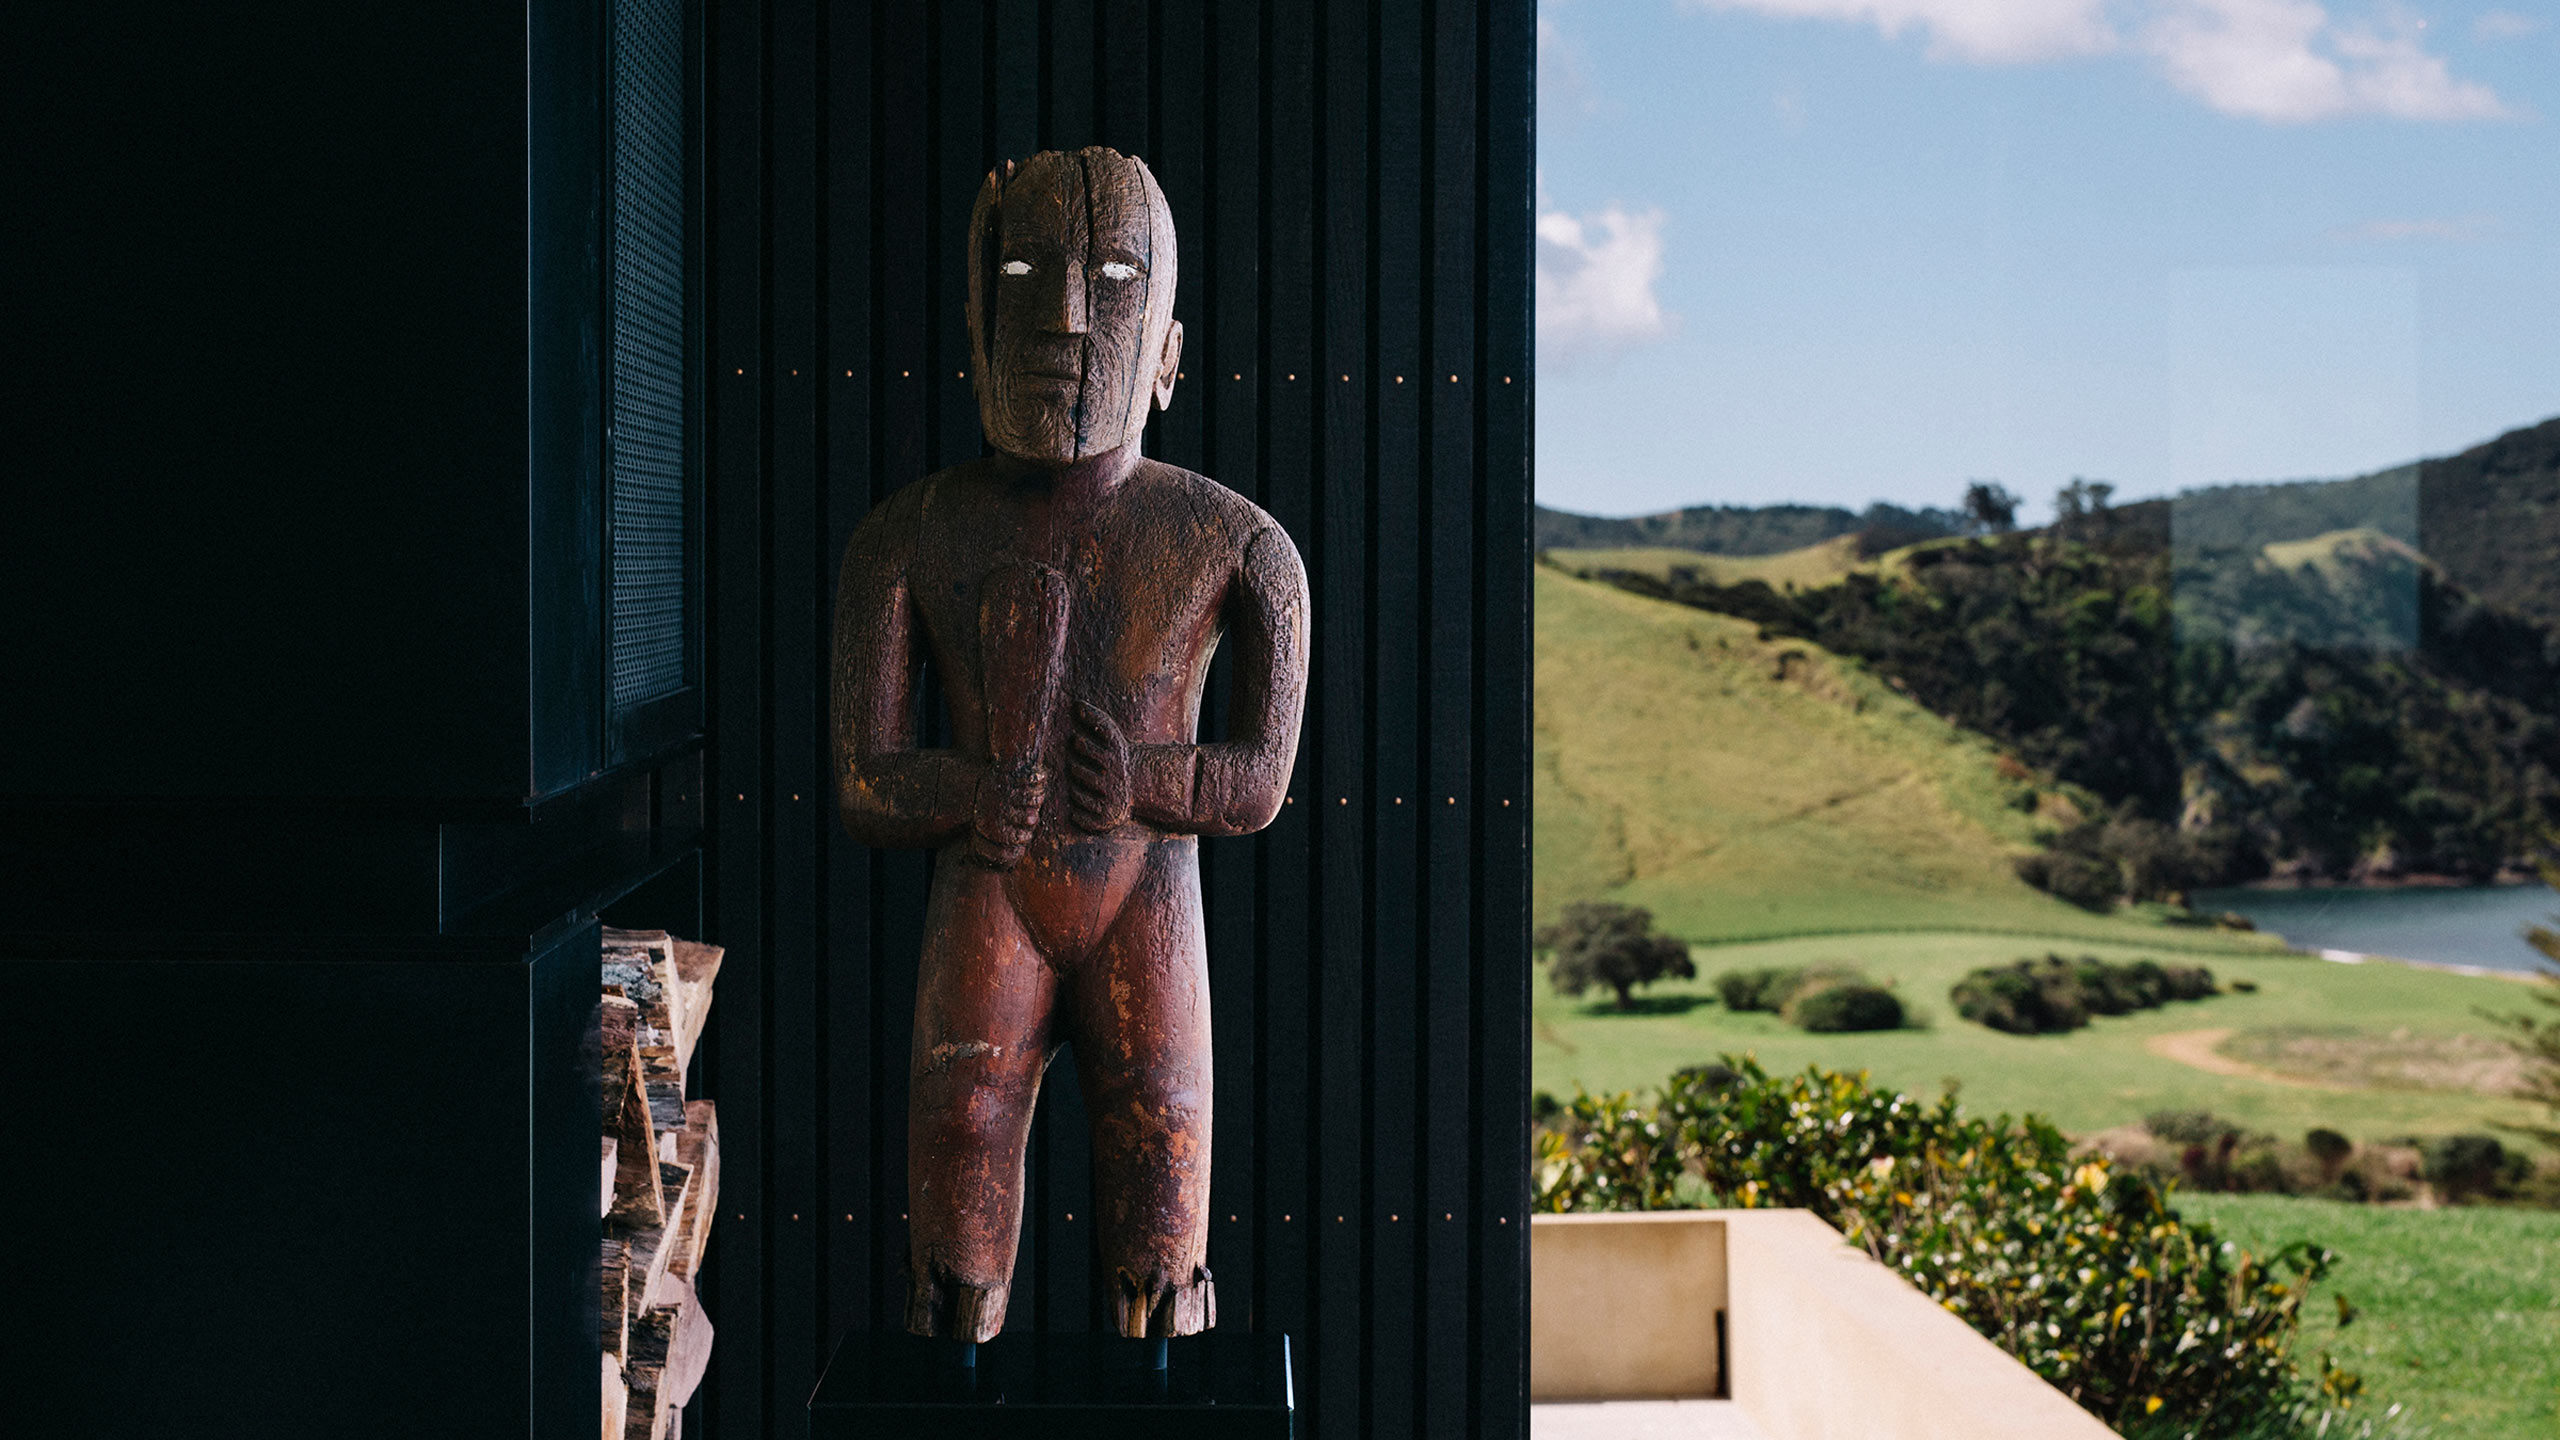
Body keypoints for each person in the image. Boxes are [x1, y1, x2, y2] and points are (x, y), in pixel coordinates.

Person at [830, 147, 1308, 1345]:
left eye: (1111, 275)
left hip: (1147, 900)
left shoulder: (1236, 545)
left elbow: (1257, 783)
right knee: (957, 1191)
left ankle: (1161, 1349)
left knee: (1162, 1202)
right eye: (1028, 272)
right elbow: (862, 780)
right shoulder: (907, 539)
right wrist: (966, 791)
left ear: (1169, 353)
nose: (1065, 316)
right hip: (988, 897)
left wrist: (1143, 778)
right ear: (976, 322)